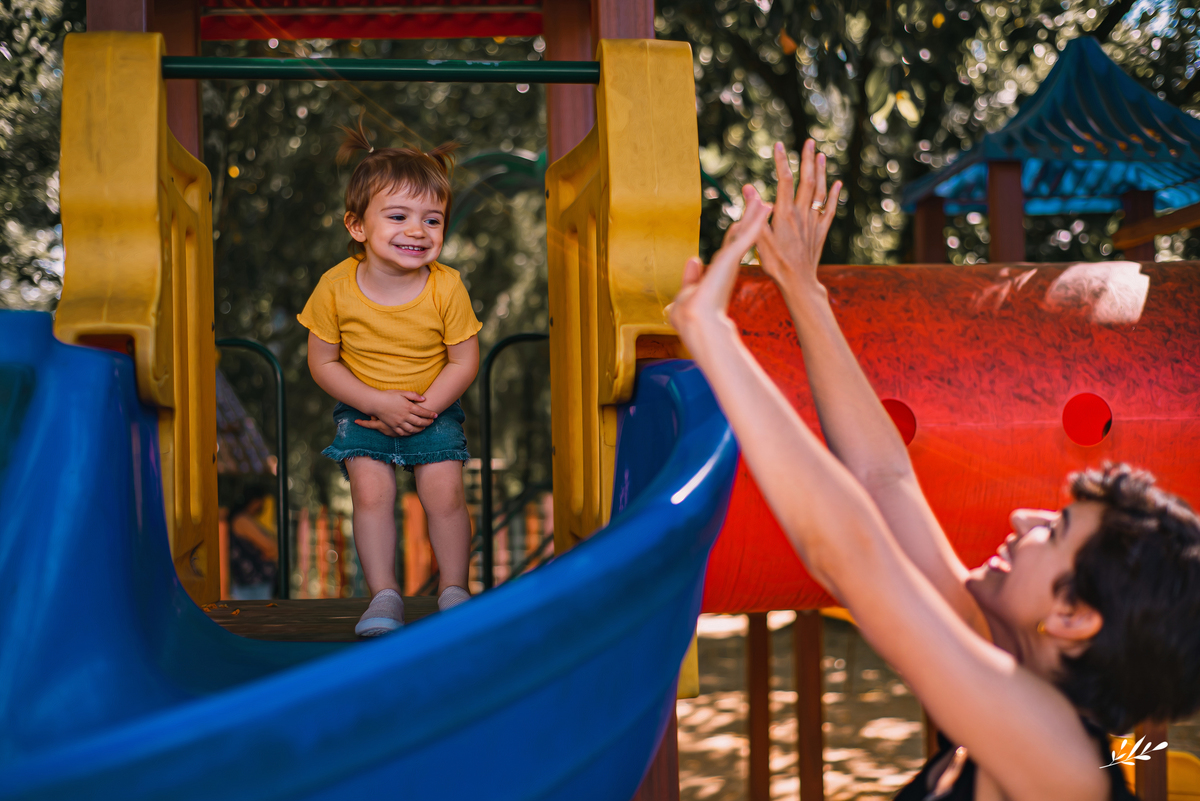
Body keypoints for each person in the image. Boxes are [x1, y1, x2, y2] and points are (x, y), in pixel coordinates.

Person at [669, 139, 1200, 799]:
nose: (1022, 515)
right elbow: (882, 477)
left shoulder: (1062, 763)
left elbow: (849, 555)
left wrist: (714, 336)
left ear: (1072, 616)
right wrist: (802, 288)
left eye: (1056, 530)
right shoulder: (999, 663)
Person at [298, 118, 481, 637]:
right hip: (363, 407)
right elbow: (323, 362)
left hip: (434, 405)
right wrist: (378, 404)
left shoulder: (447, 287)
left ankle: (454, 589)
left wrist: (426, 407)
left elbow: (463, 360)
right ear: (357, 226)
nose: (417, 231)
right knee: (371, 495)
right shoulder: (335, 287)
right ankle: (383, 596)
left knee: (444, 494)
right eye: (398, 216)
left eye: (433, 220)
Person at [227, 492, 278, 601]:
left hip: (252, 583)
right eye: (261, 503)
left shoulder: (244, 519)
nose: (262, 507)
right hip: (251, 584)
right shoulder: (241, 520)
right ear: (254, 501)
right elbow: (270, 547)